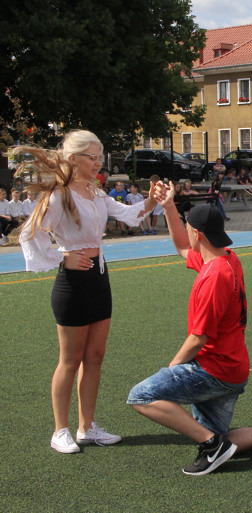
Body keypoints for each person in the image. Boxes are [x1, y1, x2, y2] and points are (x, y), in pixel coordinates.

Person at [127, 190, 252, 475]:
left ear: (198, 234)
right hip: (232, 367)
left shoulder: (213, 276)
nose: (187, 234)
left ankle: (211, 446)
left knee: (141, 396)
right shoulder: (226, 258)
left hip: (214, 369)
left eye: (188, 228)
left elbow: (198, 338)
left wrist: (172, 369)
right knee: (217, 435)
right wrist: (168, 207)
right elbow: (182, 247)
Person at [12, 130, 156, 453]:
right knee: (70, 360)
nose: (98, 162)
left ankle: (87, 427)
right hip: (73, 285)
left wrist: (151, 200)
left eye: (99, 157)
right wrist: (63, 257)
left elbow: (128, 214)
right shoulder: (59, 195)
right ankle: (60, 430)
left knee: (95, 357)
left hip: (99, 280)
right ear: (74, 159)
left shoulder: (96, 192)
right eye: (92, 157)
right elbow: (29, 235)